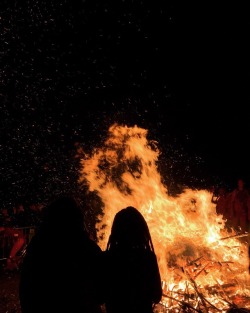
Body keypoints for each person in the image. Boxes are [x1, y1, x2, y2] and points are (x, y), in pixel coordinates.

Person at [19, 195, 104, 313]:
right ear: (78, 218)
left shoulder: (37, 247)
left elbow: (26, 290)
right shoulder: (86, 247)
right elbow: (101, 292)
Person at [103, 206, 162, 313]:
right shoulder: (147, 258)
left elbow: (100, 296)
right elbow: (157, 296)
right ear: (142, 231)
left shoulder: (108, 259)